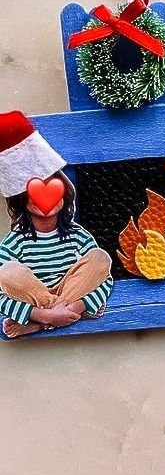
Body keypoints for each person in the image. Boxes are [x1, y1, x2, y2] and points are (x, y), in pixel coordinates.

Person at [0, 112, 113, 339]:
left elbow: (104, 279)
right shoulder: (15, 242)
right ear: (20, 199)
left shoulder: (77, 236)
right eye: (33, 191)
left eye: (52, 185)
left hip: (72, 294)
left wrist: (76, 306)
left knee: (101, 258)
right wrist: (43, 313)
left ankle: (43, 322)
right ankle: (52, 316)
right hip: (35, 299)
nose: (44, 198)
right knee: (7, 272)